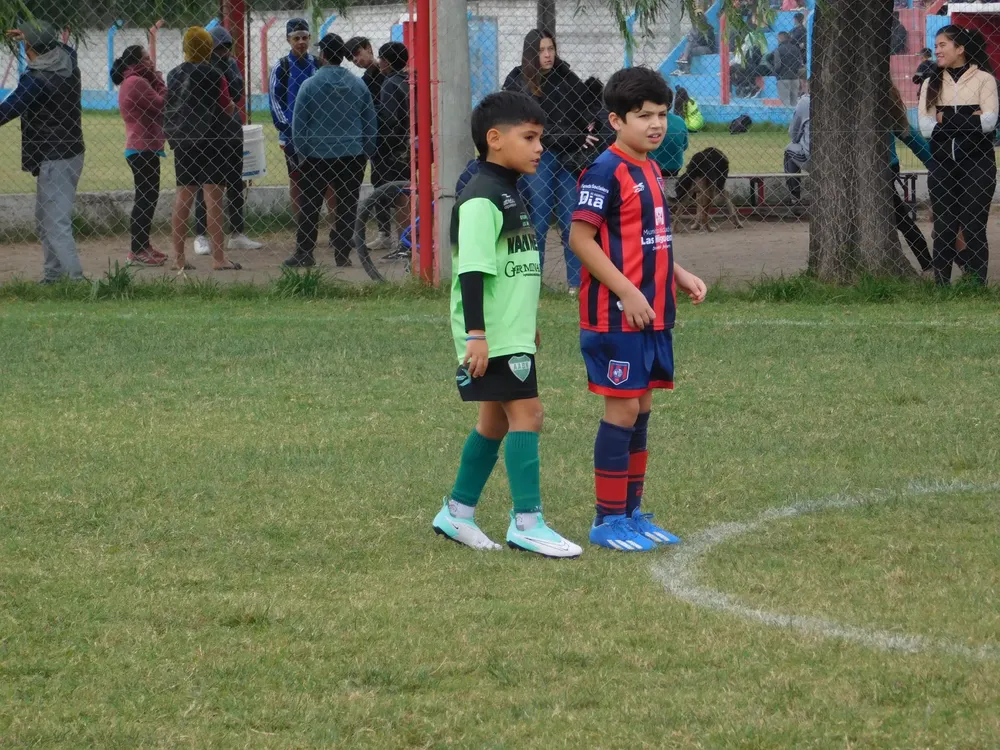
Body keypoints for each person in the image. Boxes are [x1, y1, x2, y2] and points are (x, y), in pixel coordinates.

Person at [432, 91, 582, 558]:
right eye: (530, 137)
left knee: (494, 421)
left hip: (508, 330)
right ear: (494, 140)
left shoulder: (509, 190)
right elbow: (472, 271)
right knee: (528, 415)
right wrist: (477, 335)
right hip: (490, 335)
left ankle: (456, 513)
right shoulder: (480, 197)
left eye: (541, 138)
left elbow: (512, 266)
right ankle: (528, 523)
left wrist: (526, 320)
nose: (540, 147)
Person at [569, 66, 706, 552]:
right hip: (616, 315)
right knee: (623, 408)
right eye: (643, 115)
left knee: (642, 406)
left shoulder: (649, 166)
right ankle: (607, 520)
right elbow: (580, 239)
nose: (655, 124)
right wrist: (627, 291)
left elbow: (650, 241)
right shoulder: (604, 170)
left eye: (662, 115)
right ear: (615, 120)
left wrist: (678, 273)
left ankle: (630, 511)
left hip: (652, 313)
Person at [503, 29, 594, 294]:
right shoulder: (517, 82)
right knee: (539, 220)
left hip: (568, 159)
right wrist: (574, 136)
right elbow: (528, 128)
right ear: (531, 53)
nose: (547, 55)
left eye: (551, 49)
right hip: (537, 158)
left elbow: (587, 109)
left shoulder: (566, 77)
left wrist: (588, 126)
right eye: (542, 50)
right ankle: (534, 282)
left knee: (570, 221)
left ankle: (576, 285)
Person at [0, 21, 85, 283]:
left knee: (55, 223)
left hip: (54, 155)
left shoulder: (36, 80)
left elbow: (8, 109)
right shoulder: (68, 64)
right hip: (69, 152)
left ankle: (76, 281)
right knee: (45, 219)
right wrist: (36, 36)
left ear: (28, 48)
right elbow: (63, 47)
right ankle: (53, 275)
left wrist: (33, 37)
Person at [283, 33, 377, 268]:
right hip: (351, 154)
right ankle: (342, 254)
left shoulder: (310, 85)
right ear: (343, 57)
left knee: (310, 205)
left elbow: (299, 125)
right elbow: (370, 122)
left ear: (323, 55)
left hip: (316, 155)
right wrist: (366, 150)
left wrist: (303, 153)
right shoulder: (357, 85)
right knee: (347, 205)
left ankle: (305, 252)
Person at [919, 25, 998, 285]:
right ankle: (941, 286)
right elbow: (926, 127)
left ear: (960, 49)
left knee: (974, 226)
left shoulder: (984, 79)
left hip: (978, 164)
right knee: (944, 227)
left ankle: (976, 285)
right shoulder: (931, 83)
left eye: (943, 45)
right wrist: (968, 119)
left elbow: (988, 122)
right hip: (942, 165)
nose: (937, 50)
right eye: (937, 45)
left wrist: (946, 119)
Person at [164, 26, 242, 271]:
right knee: (213, 197)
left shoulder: (174, 74)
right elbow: (226, 106)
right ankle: (219, 258)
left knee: (183, 196)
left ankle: (178, 257)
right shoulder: (214, 74)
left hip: (184, 141)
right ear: (208, 48)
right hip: (213, 140)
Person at [192, 27, 262, 256]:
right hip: (208, 131)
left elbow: (237, 93)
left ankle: (237, 233)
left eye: (225, 48)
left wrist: (225, 70)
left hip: (231, 128)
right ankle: (201, 234)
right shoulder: (200, 66)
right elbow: (204, 95)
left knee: (235, 181)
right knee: (207, 183)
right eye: (218, 48)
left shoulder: (229, 64)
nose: (222, 53)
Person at [112, 44, 167, 268]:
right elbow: (161, 104)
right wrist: (161, 81)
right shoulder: (137, 82)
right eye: (146, 59)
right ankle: (137, 250)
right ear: (134, 63)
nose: (151, 62)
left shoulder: (136, 81)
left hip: (145, 147)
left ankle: (143, 245)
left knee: (148, 198)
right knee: (145, 198)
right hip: (141, 148)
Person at [268, 18, 319, 220]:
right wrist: (289, 128)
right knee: (296, 179)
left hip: (317, 134)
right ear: (288, 40)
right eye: (296, 38)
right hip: (291, 135)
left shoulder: (317, 64)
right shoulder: (281, 67)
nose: (301, 42)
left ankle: (322, 222)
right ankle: (301, 224)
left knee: (322, 180)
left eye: (304, 37)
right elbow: (275, 101)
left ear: (309, 38)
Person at [372, 42, 413, 262]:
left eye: (381, 58)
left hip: (394, 149)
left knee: (399, 197)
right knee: (406, 193)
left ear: (387, 61)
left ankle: (405, 245)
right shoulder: (409, 80)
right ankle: (408, 242)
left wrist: (382, 146)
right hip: (410, 144)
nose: (378, 62)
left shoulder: (390, 84)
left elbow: (390, 120)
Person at [889, 86, 933, 274]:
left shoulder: (884, 100)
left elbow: (909, 134)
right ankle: (928, 263)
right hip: (884, 165)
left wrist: (937, 164)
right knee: (899, 217)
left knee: (899, 216)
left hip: (885, 167)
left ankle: (928, 264)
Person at [650, 86, 689, 180]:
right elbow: (685, 145)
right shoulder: (679, 121)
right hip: (675, 166)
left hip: (651, 166)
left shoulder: (648, 121)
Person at [783, 79, 810, 202]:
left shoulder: (805, 101)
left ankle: (795, 198)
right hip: (840, 155)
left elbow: (793, 135)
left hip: (812, 158)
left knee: (789, 150)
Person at [674, 9, 716, 75]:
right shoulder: (695, 28)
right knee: (687, 49)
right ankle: (684, 63)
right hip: (696, 47)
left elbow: (704, 41)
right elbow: (690, 39)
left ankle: (684, 67)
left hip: (707, 48)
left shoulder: (708, 27)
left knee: (688, 50)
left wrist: (693, 40)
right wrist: (693, 40)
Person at [768, 31, 803, 106]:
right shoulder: (796, 49)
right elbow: (800, 63)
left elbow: (777, 65)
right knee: (794, 103)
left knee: (785, 103)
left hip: (783, 78)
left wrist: (775, 73)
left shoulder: (778, 50)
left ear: (780, 39)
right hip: (795, 78)